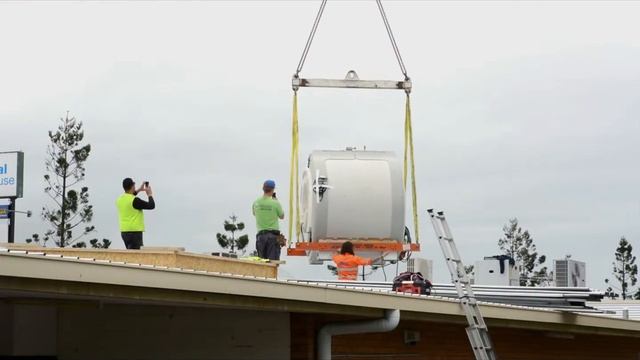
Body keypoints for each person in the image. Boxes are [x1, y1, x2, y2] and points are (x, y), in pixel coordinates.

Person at [116, 178, 155, 250]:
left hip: (124, 232)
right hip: (135, 233)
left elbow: (130, 196)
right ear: (132, 186)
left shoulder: (120, 199)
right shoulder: (135, 200)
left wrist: (139, 190)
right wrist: (149, 194)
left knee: (131, 254)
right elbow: (151, 205)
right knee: (137, 256)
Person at [252, 179, 284, 260]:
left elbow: (254, 213)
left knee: (262, 263)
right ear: (273, 190)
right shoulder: (275, 203)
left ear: (263, 188)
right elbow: (282, 216)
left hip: (260, 237)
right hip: (272, 237)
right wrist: (275, 201)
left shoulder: (256, 203)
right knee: (273, 263)